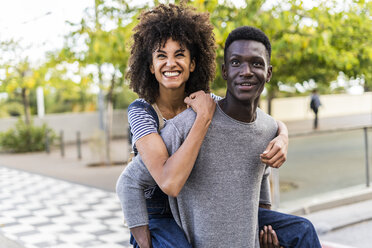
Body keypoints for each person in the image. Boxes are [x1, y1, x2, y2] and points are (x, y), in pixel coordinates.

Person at [117, 19, 321, 248]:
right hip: (156, 210)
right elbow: (161, 182)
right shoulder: (145, 112)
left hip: (192, 201)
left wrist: (282, 134)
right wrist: (144, 244)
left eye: (180, 55)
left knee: (303, 230)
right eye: (161, 56)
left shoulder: (208, 103)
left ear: (193, 63)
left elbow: (256, 128)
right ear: (151, 66)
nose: (171, 63)